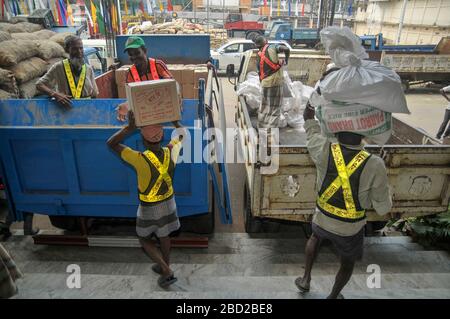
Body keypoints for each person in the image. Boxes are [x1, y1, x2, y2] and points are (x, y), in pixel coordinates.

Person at [295, 103, 392, 299]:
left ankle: (305, 279)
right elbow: (382, 206)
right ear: (364, 135)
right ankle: (333, 296)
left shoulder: (323, 148)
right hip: (351, 228)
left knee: (314, 238)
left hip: (322, 217)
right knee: (348, 261)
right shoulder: (374, 163)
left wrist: (314, 101)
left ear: (335, 131)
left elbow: (309, 121)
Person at [107, 111, 185, 288]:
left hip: (149, 207)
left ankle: (166, 270)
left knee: (143, 238)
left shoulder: (139, 159)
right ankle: (165, 264)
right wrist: (175, 121)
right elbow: (182, 134)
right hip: (169, 202)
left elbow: (111, 143)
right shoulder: (171, 150)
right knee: (164, 234)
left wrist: (129, 128)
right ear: (163, 136)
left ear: (143, 140)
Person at [117, 36, 175, 121]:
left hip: (162, 112)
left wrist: (177, 96)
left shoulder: (158, 65)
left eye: (137, 53)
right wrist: (126, 105)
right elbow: (132, 98)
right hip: (146, 115)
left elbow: (172, 86)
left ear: (145, 50)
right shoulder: (130, 74)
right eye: (130, 55)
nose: (134, 57)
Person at [36, 35, 98, 108]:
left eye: (81, 48)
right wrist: (55, 94)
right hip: (66, 109)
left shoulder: (88, 69)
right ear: (67, 50)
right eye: (74, 49)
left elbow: (94, 94)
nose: (79, 52)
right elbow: (39, 85)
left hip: (86, 109)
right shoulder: (58, 67)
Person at [253, 36, 290, 128]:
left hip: (265, 84)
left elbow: (259, 73)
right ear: (265, 41)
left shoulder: (258, 55)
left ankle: (261, 128)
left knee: (264, 108)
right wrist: (287, 60)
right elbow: (286, 49)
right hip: (275, 83)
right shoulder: (272, 47)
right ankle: (270, 135)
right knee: (274, 110)